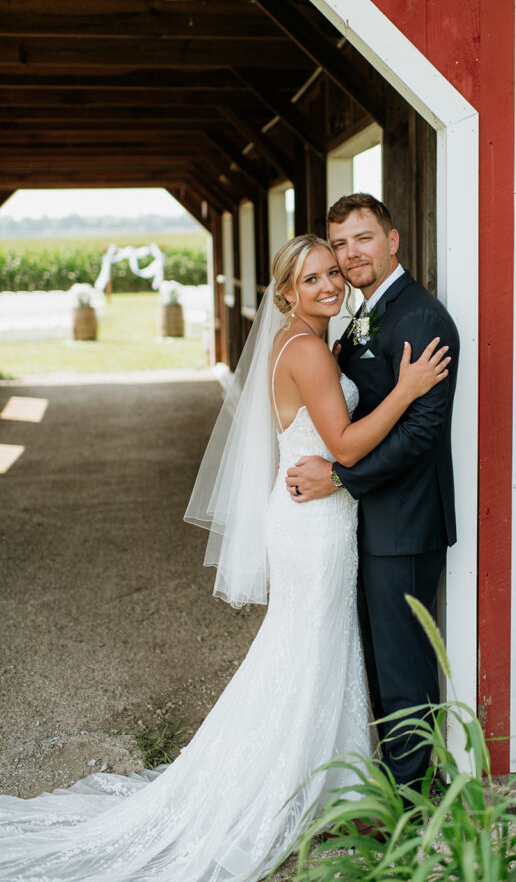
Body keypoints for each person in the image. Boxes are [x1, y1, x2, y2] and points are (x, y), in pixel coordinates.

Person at [0, 234, 449, 882]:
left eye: (332, 273)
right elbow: (346, 447)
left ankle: (325, 782)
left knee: (308, 648)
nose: (328, 285)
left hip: (307, 515)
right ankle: (300, 787)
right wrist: (406, 389)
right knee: (309, 647)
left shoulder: (297, 341)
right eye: (311, 278)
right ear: (287, 292)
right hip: (314, 522)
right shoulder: (310, 354)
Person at [285, 196, 459, 788]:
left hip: (405, 523)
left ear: (393, 241)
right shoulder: (363, 315)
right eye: (339, 244)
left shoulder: (421, 319)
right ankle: (391, 782)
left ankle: (413, 802)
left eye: (363, 238)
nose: (350, 254)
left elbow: (421, 434)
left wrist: (339, 477)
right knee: (380, 662)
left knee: (403, 666)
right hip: (367, 523)